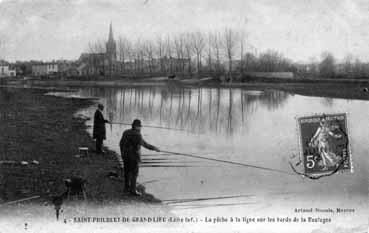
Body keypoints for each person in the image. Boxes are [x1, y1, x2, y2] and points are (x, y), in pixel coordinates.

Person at [119, 119, 160, 196]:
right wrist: (155, 148)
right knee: (134, 173)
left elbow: (120, 144)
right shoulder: (137, 135)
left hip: (125, 156)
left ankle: (126, 188)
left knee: (127, 172)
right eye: (140, 126)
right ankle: (133, 190)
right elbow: (145, 144)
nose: (140, 128)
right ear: (136, 126)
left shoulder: (125, 132)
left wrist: (122, 154)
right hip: (134, 157)